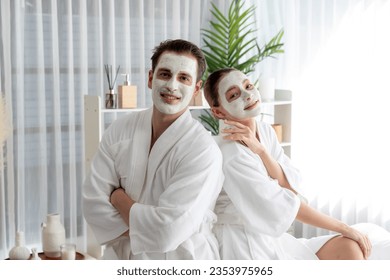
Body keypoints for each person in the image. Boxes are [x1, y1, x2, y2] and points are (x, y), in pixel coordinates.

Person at [203, 67, 390, 260]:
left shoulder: (264, 131)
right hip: (245, 243)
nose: (248, 95)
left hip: (272, 238)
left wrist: (262, 151)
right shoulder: (232, 154)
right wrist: (344, 227)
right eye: (234, 95)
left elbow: (290, 187)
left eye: (248, 86)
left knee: (349, 249)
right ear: (218, 112)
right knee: (349, 244)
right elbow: (283, 205)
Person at [82, 39, 224, 260]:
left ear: (196, 88)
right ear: (150, 78)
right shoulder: (120, 129)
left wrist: (118, 198)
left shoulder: (203, 149)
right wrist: (150, 228)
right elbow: (92, 204)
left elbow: (168, 231)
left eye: (184, 78)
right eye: (165, 74)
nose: (172, 86)